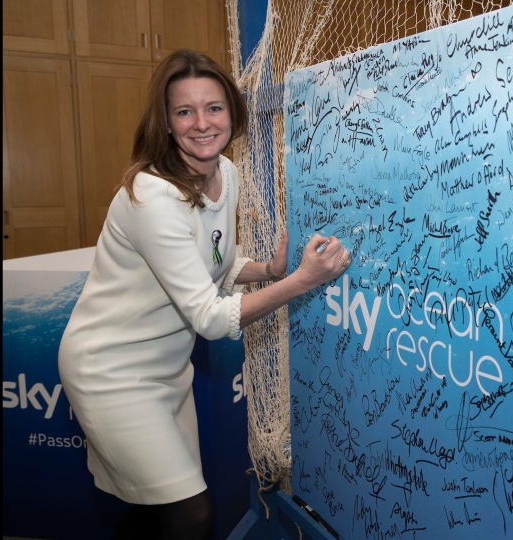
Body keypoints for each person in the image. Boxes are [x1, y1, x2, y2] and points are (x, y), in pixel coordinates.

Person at [58, 49, 350, 539]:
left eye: (213, 108)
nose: (201, 124)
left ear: (232, 113)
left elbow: (213, 266)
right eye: (184, 112)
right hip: (109, 371)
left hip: (167, 372)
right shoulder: (151, 195)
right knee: (192, 515)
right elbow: (210, 318)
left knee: (160, 506)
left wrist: (267, 269)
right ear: (167, 123)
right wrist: (299, 280)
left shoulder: (226, 174)